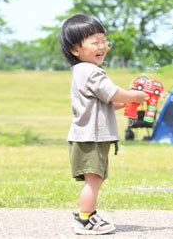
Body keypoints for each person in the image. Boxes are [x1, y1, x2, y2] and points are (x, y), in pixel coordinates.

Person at [58, 14, 149, 235]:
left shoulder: (81, 71)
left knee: (95, 178)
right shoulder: (90, 71)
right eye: (94, 42)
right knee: (94, 179)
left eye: (103, 41)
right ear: (75, 50)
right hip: (91, 137)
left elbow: (106, 102)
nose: (102, 46)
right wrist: (133, 96)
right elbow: (114, 92)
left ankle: (89, 214)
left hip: (88, 136)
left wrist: (124, 103)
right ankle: (84, 219)